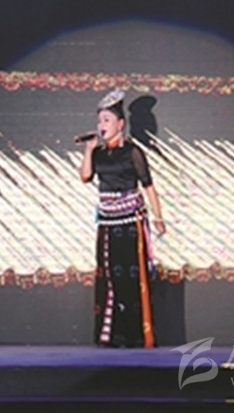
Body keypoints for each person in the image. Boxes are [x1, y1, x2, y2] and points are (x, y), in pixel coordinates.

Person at [79, 89, 166, 348]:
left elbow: (148, 185)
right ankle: (112, 334)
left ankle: (135, 335)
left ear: (120, 124)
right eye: (99, 120)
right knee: (110, 276)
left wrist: (159, 218)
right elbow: (85, 177)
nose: (101, 125)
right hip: (107, 223)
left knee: (132, 277)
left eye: (107, 120)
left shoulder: (132, 152)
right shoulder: (98, 153)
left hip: (131, 222)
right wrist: (88, 149)